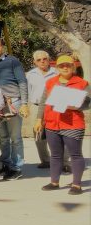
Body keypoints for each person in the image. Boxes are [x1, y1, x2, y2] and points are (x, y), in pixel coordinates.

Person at [35, 55, 90, 195]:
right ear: (57, 68)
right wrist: (38, 119)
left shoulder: (82, 83)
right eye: (61, 65)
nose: (65, 67)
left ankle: (76, 185)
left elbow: (88, 103)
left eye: (68, 65)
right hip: (52, 123)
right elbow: (43, 102)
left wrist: (75, 106)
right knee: (55, 155)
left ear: (73, 67)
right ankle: (54, 182)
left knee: (75, 155)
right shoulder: (51, 82)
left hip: (73, 124)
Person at [0, 37, 29, 181]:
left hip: (13, 103)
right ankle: (6, 164)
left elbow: (22, 82)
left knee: (15, 138)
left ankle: (17, 167)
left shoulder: (12, 61)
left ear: (2, 47)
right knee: (3, 138)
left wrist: (24, 103)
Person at [25, 50, 59, 169]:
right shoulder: (30, 75)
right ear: (34, 62)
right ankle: (45, 160)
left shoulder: (57, 73)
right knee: (38, 134)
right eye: (39, 60)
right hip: (36, 106)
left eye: (44, 59)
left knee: (57, 133)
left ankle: (62, 161)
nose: (42, 61)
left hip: (54, 106)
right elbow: (27, 91)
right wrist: (26, 107)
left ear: (49, 60)